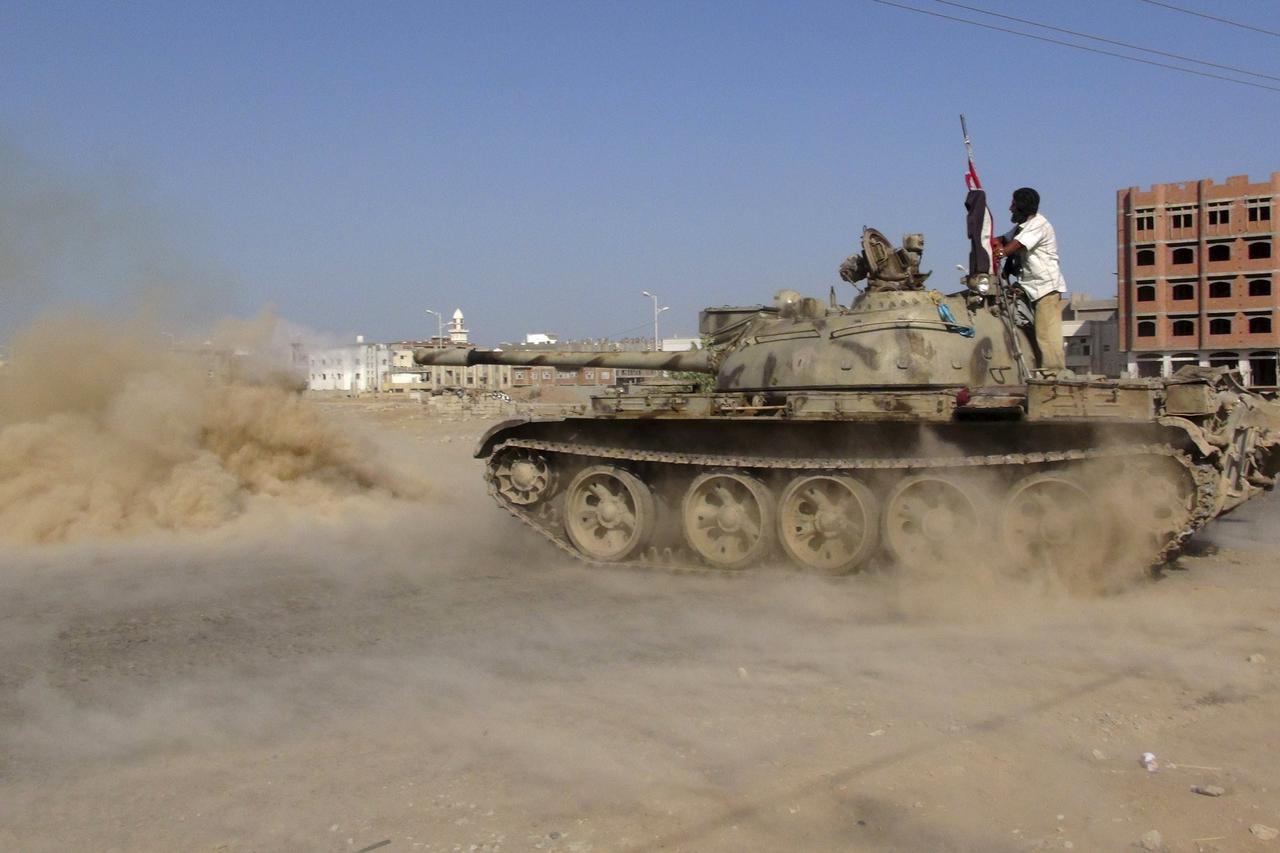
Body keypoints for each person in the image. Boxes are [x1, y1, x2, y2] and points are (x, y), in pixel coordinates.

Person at [992, 187, 1067, 374]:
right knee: (1029, 330)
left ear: (1021, 206)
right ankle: (1039, 368)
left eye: (1013, 204)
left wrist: (998, 251)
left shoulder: (1038, 225)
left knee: (1046, 333)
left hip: (1045, 287)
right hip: (1029, 287)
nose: (1010, 208)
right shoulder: (1022, 226)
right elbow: (1004, 239)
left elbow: (1011, 248)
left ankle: (1053, 373)